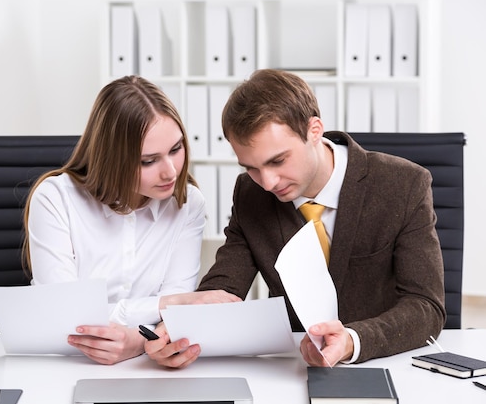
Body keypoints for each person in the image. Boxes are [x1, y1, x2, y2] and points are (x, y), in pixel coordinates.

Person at [144, 69, 446, 368]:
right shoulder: (251, 192)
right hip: (295, 365)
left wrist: (352, 340)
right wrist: (182, 331)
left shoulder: (403, 184)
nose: (268, 181)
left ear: (314, 130)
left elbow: (426, 306)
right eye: (251, 167)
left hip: (385, 362)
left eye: (278, 160)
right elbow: (223, 288)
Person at [22, 75, 215, 365]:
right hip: (63, 364)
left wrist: (138, 341)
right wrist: (163, 304)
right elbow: (66, 315)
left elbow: (176, 315)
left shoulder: (188, 203)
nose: (171, 172)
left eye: (176, 149)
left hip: (147, 368)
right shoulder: (55, 199)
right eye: (148, 161)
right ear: (112, 158)